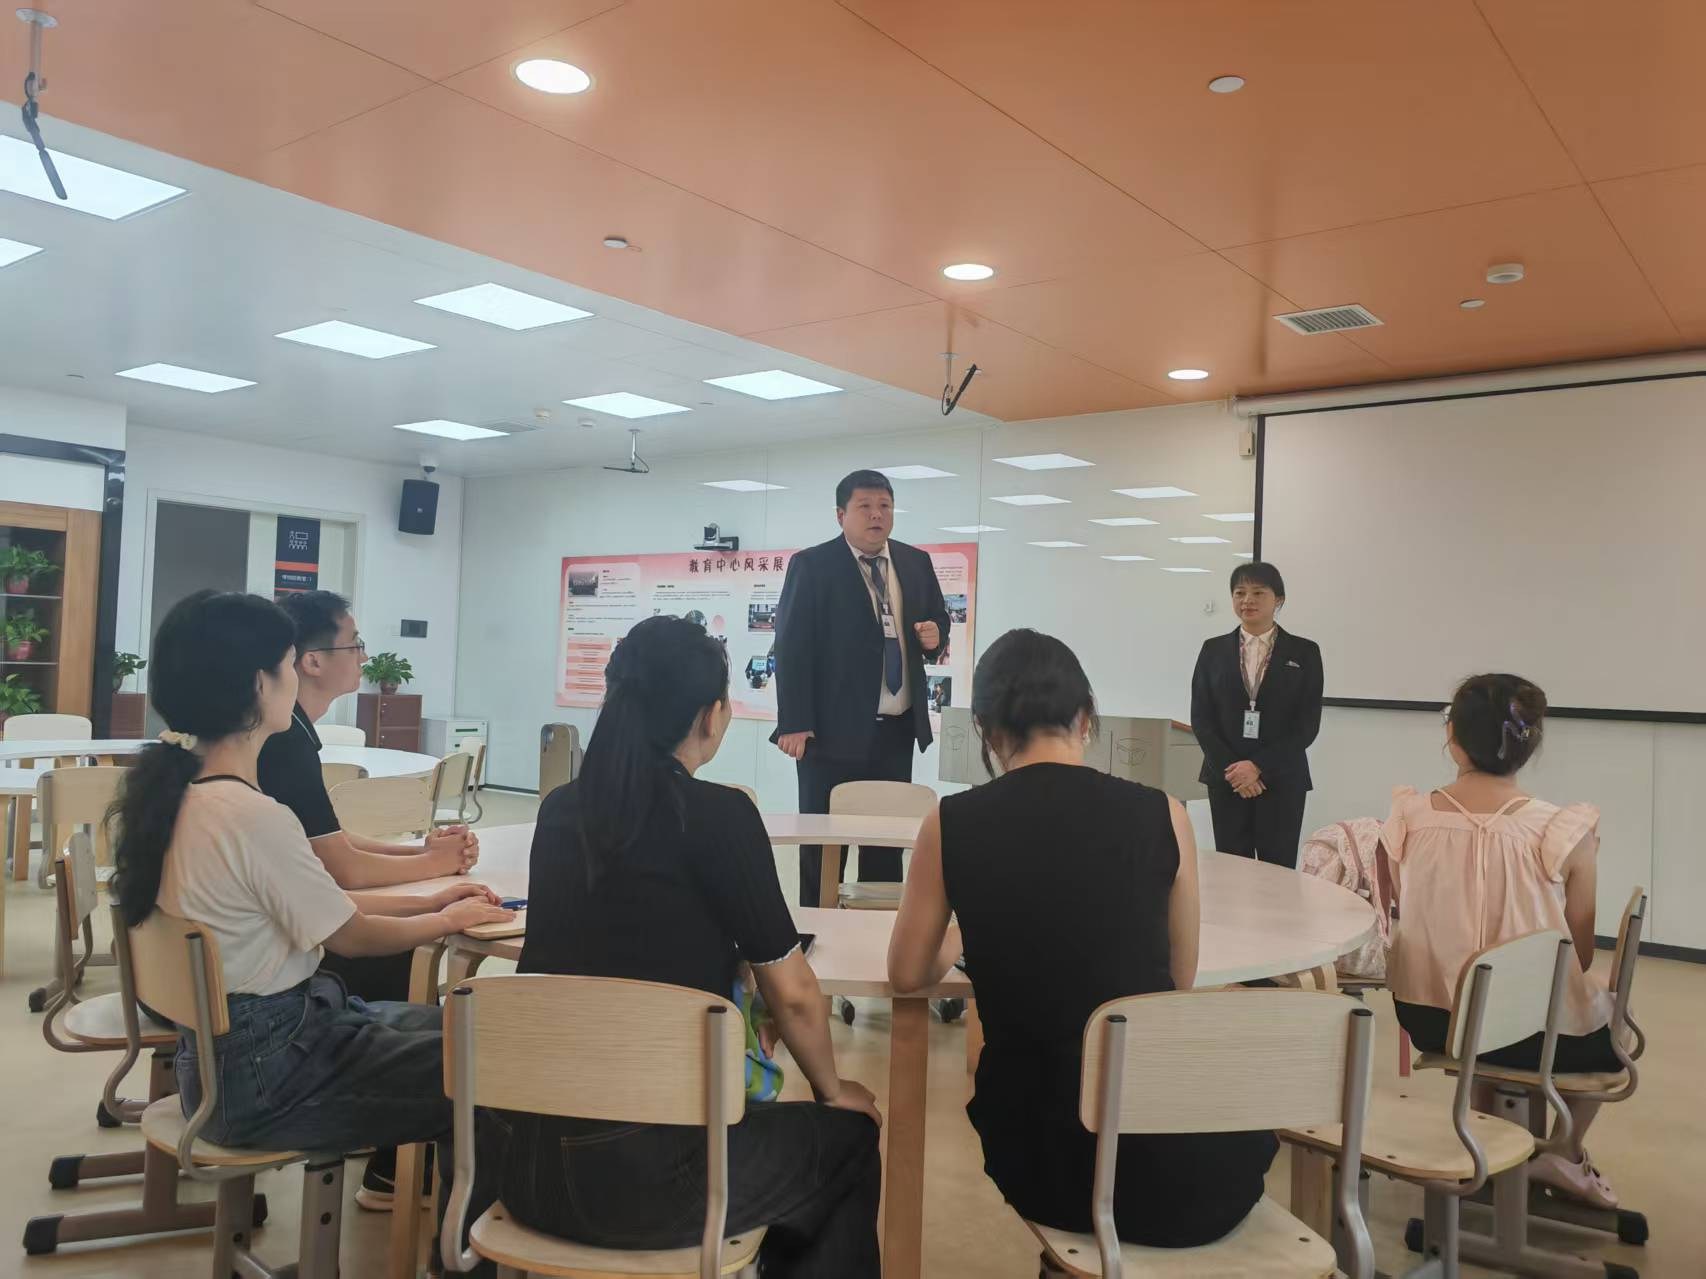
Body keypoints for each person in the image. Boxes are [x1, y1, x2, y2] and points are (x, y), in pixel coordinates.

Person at [503, 616, 883, 1277]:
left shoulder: (561, 810)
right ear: (711, 715)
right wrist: (831, 1089)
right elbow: (793, 994)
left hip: (524, 1168)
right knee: (847, 1139)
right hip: (655, 1183)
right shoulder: (720, 816)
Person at [888, 628, 1277, 1249]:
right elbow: (1178, 979)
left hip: (1045, 1161)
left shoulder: (950, 822)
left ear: (986, 730)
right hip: (1191, 1169)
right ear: (1086, 717)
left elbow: (908, 973)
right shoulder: (1165, 813)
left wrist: (964, 928)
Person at [108, 591, 512, 1165]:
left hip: (224, 1063)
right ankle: (450, 1220)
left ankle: (409, 1194)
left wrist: (438, 899)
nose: (295, 677)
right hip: (272, 1075)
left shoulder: (173, 794)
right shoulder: (250, 815)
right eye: (287, 663)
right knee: (499, 1060)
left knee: (460, 1031)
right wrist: (448, 919)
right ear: (260, 684)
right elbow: (353, 935)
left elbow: (329, 905)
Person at [257, 589, 479, 1209]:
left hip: (248, 1002)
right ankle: (391, 1159)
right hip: (274, 1012)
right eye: (353, 644)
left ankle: (387, 1138)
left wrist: (423, 857)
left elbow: (329, 841)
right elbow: (340, 875)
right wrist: (435, 885)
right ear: (309, 662)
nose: (362, 655)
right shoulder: (281, 742)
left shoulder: (281, 741)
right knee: (401, 965)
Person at [1380, 673, 1621, 1209]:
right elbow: (1579, 956)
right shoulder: (1563, 831)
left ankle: (1486, 1143)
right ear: (1528, 745)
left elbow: (1405, 913)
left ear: (1452, 738)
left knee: (1480, 1006)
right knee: (1609, 1005)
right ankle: (1563, 1151)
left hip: (1433, 1021)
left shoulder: (1407, 819)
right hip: (1538, 1032)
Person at [771, 469, 951, 906]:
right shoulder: (813, 565)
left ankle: (879, 932)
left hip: (896, 731)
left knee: (885, 845)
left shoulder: (915, 562)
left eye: (884, 506)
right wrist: (794, 721)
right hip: (828, 735)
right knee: (823, 848)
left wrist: (936, 636)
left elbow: (938, 620)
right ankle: (817, 930)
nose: (876, 515)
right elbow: (792, 645)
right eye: (865, 506)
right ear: (841, 515)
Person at [1190, 561, 1323, 868]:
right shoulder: (1212, 650)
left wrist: (1259, 767)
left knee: (1277, 872)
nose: (1247, 600)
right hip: (1228, 779)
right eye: (1240, 593)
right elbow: (1201, 718)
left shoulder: (1304, 652)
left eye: (1258, 592)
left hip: (1282, 778)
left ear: (1279, 599)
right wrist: (1236, 772)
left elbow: (1307, 725)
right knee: (1231, 869)